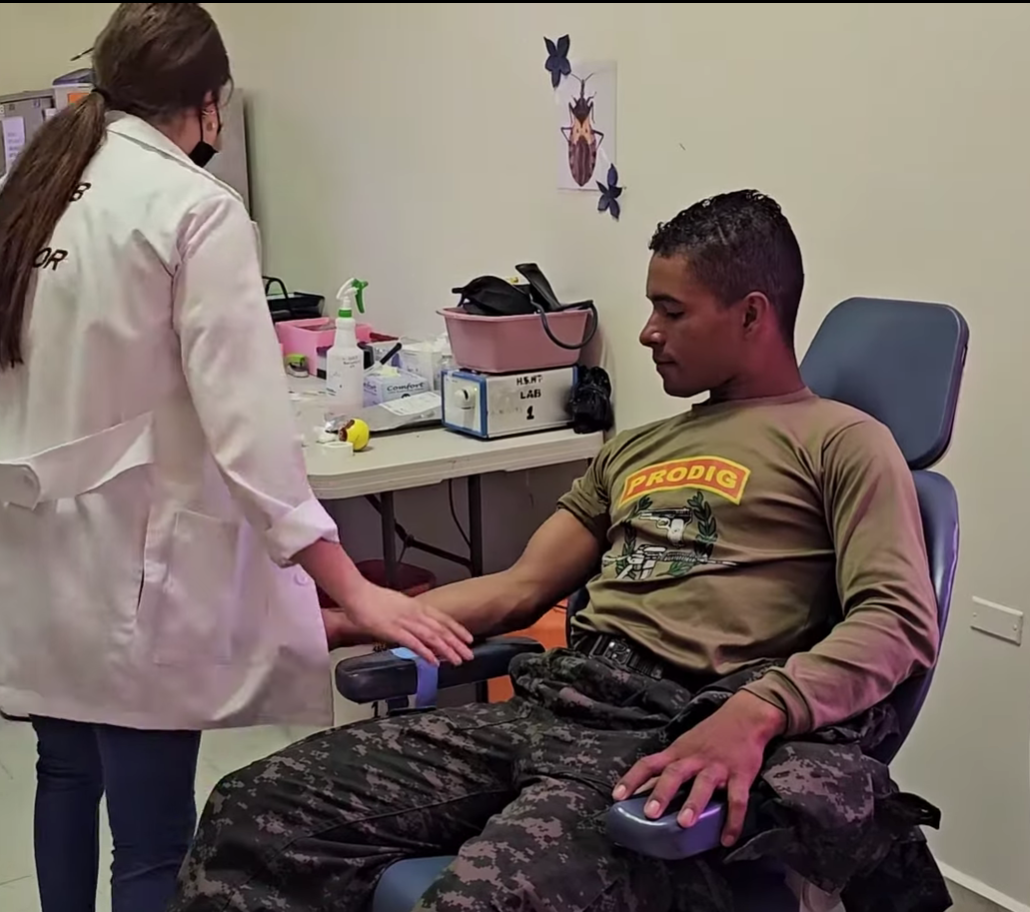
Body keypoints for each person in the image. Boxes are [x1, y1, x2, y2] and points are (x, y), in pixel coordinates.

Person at [170, 190, 941, 912]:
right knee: (251, 812)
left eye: (671, 311)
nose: (646, 332)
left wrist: (754, 713)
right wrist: (342, 620)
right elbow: (518, 587)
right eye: (650, 308)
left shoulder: (841, 442)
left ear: (750, 315)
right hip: (556, 699)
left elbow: (898, 620)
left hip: (667, 731)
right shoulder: (636, 449)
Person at [0, 5, 472, 912]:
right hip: (130, 579)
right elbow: (251, 433)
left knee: (62, 776)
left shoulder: (39, 193)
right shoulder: (194, 208)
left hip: (40, 561)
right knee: (149, 842)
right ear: (209, 105)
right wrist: (353, 586)